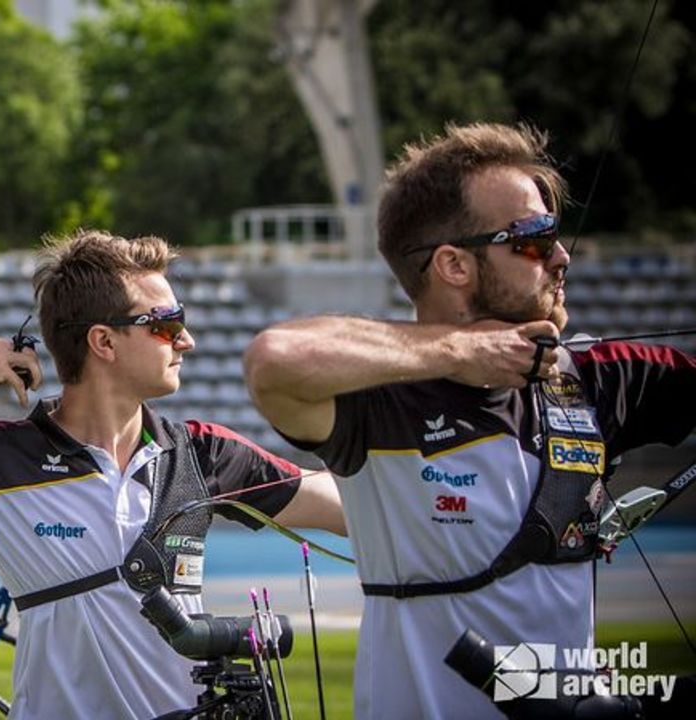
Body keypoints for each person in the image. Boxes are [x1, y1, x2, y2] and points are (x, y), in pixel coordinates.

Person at [243, 122, 696, 718]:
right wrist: (464, 350)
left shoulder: (596, 378)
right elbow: (274, 359)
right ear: (454, 265)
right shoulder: (380, 400)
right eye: (534, 239)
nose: (561, 256)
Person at [0, 230, 347, 720]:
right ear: (103, 342)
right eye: (166, 324)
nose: (186, 340)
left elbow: (349, 509)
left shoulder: (204, 454)